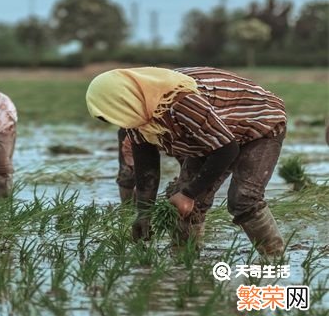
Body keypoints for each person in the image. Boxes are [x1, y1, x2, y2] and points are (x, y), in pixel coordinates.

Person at [86, 67, 287, 256]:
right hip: (213, 135)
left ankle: (274, 258)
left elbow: (227, 149)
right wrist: (144, 212)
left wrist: (189, 194)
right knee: (183, 200)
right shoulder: (137, 113)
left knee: (243, 198)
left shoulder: (179, 102)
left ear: (123, 100)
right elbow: (146, 163)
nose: (120, 122)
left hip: (259, 125)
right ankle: (185, 261)